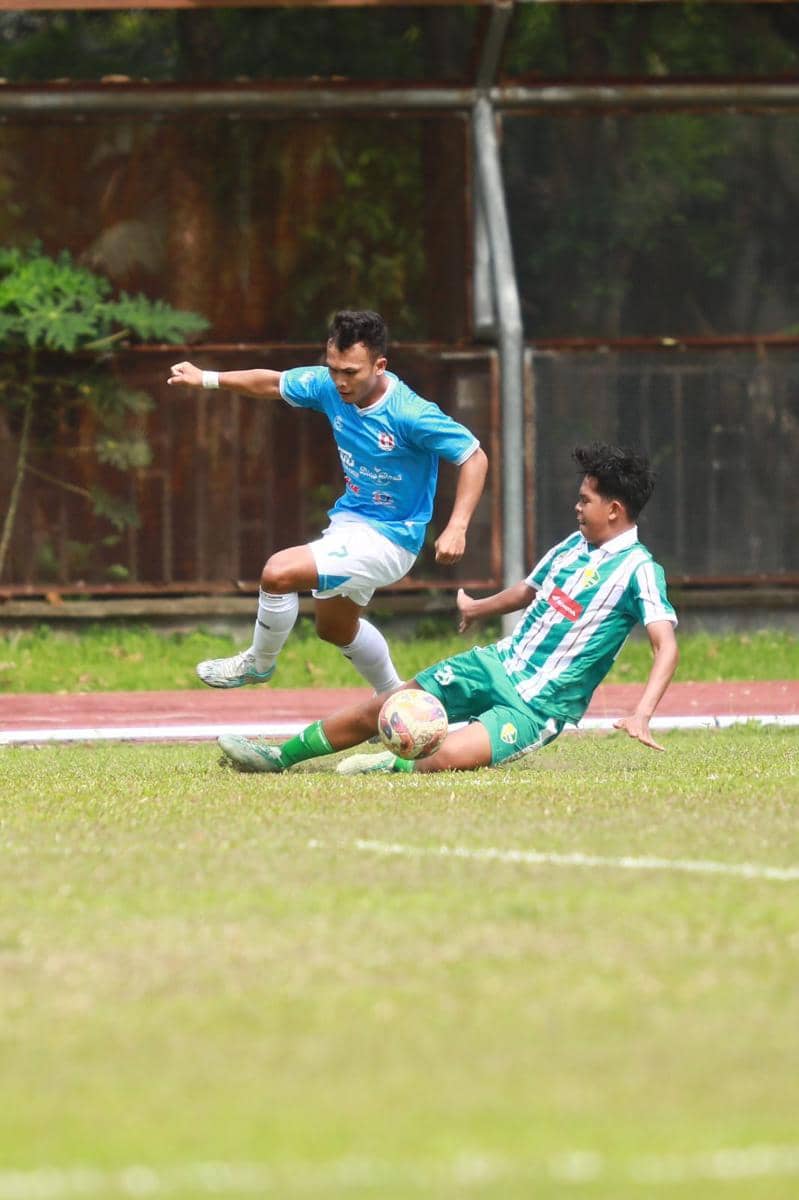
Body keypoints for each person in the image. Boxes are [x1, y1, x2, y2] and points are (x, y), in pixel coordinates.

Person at [217, 442, 679, 776]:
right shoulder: (572, 546)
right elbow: (527, 591)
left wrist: (642, 712)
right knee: (385, 708)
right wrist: (478, 609)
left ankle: (391, 763)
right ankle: (279, 756)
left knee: (443, 758)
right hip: (493, 664)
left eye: (586, 500)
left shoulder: (640, 570)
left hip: (538, 707)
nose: (577, 507)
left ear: (615, 510)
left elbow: (666, 646)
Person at [168, 310, 487, 694]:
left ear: (380, 365)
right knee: (335, 628)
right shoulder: (328, 386)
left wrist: (457, 526)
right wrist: (206, 378)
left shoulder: (410, 414)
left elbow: (473, 456)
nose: (339, 381)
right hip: (351, 522)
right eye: (333, 368)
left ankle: (259, 662)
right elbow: (271, 383)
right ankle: (392, 699)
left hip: (392, 538)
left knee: (278, 572)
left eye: (350, 372)